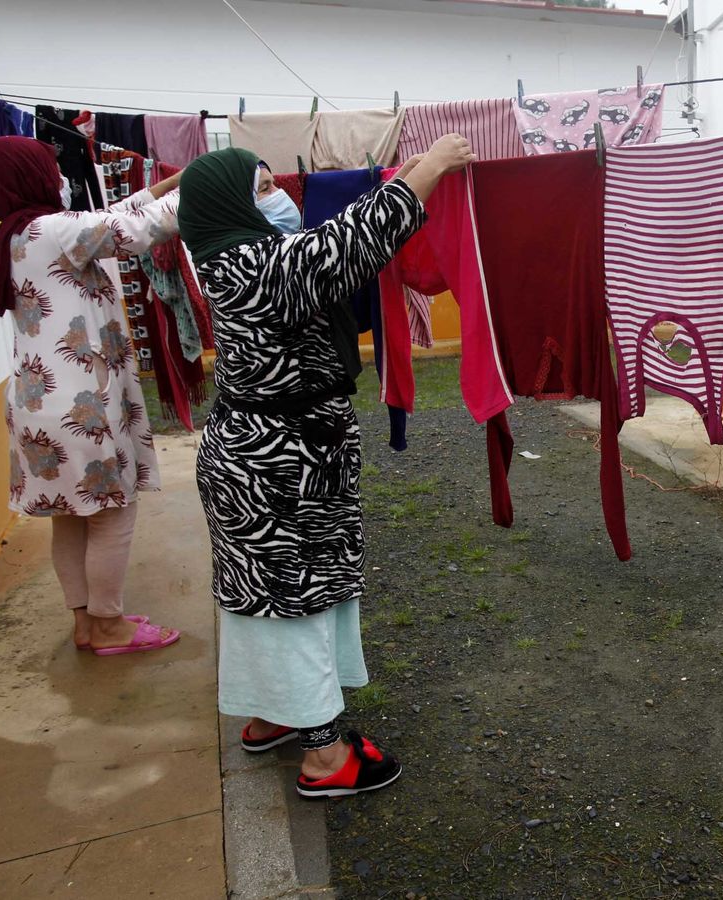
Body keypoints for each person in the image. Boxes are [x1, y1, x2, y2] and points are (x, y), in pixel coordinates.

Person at [178, 137, 474, 797]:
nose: (276, 198)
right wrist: (427, 168)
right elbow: (348, 245)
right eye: (260, 189)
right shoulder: (253, 264)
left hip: (272, 454)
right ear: (229, 204)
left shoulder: (231, 257)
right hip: (279, 464)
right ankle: (325, 757)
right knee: (296, 601)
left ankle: (274, 714)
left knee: (267, 596)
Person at [0, 136, 184, 656]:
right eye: (50, 168)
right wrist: (216, 180)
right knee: (113, 512)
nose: (61, 177)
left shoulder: (20, 234)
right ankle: (110, 625)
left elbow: (112, 216)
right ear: (29, 176)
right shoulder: (55, 231)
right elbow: (138, 229)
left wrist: (173, 180)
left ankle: (87, 623)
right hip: (79, 408)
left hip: (36, 405)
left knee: (70, 515)